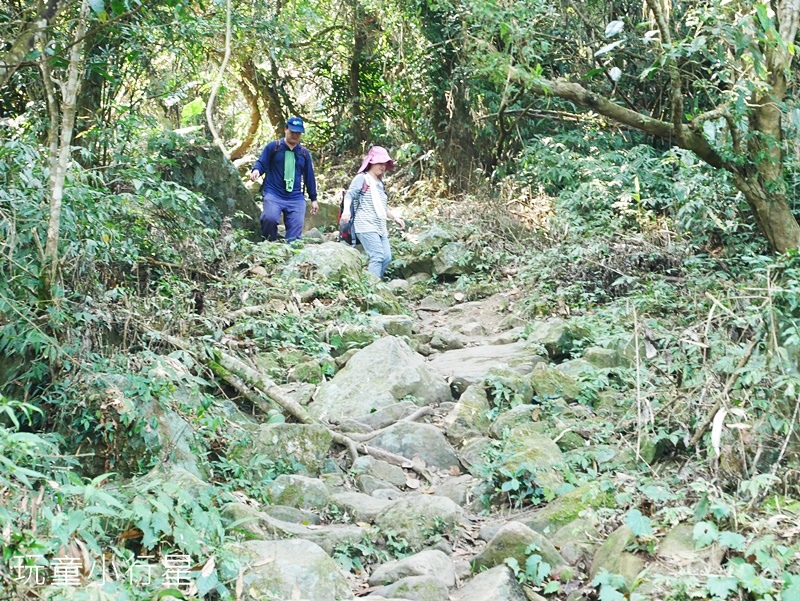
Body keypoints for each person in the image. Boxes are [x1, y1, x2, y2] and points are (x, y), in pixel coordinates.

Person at [340, 146, 405, 279]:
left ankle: (373, 282)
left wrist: (395, 217)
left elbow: (382, 206)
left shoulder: (380, 183)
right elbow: (350, 195)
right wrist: (346, 210)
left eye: (384, 163)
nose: (382, 166)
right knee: (377, 256)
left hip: (380, 226)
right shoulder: (362, 179)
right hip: (365, 224)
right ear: (371, 162)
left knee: (386, 257)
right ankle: (373, 289)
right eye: (379, 163)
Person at [250, 116, 318, 242]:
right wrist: (256, 171)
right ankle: (269, 245)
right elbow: (262, 162)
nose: (295, 135)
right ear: (285, 129)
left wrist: (313, 199)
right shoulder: (273, 147)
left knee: (296, 227)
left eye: (298, 133)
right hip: (273, 193)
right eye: (292, 132)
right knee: (269, 218)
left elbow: (309, 176)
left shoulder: (303, 153)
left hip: (295, 197)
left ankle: (290, 252)